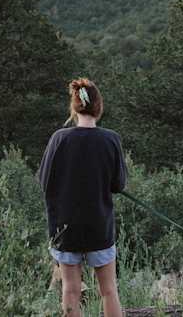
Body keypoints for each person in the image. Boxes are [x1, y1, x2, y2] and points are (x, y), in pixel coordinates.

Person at [37, 77, 126, 317]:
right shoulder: (111, 140)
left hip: (65, 229)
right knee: (108, 290)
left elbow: (44, 182)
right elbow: (119, 185)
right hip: (99, 227)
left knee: (70, 290)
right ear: (99, 107)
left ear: (74, 107)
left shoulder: (59, 138)